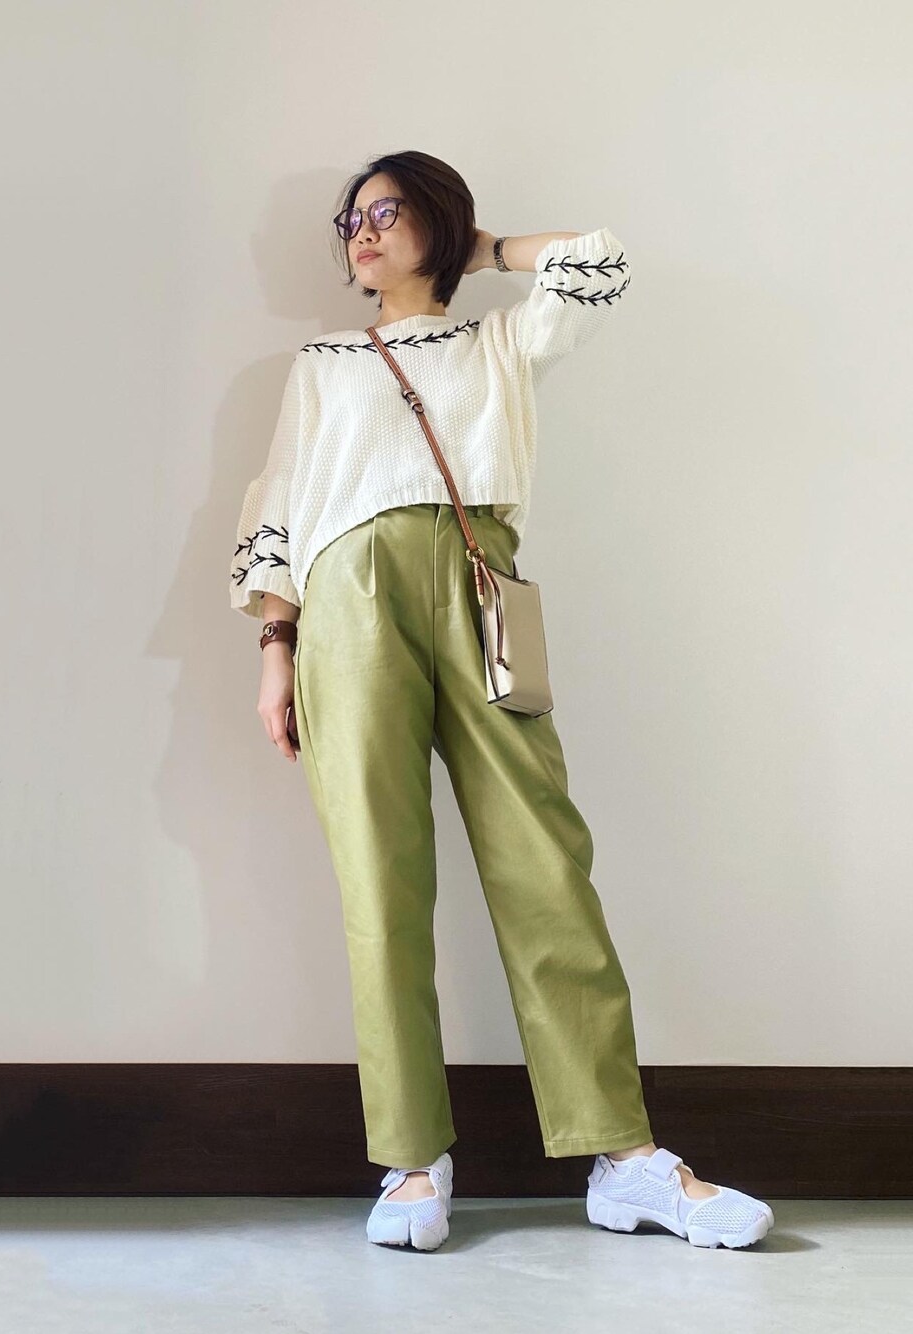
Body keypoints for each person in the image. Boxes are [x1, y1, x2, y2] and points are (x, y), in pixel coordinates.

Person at [230, 150, 775, 1252]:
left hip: (482, 587)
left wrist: (478, 250)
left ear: (436, 222)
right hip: (347, 602)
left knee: (544, 863)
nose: (361, 232)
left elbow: (598, 263)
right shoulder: (324, 362)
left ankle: (623, 1156)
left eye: (389, 211)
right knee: (380, 878)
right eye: (351, 219)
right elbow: (282, 497)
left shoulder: (500, 342)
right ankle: (411, 1159)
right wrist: (276, 647)